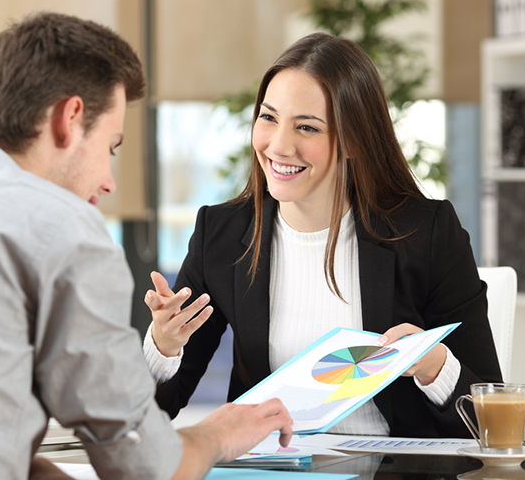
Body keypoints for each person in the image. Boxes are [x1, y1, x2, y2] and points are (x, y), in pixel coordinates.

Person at [0, 12, 292, 480]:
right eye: (111, 147)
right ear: (69, 119)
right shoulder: (62, 228)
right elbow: (148, 469)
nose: (108, 184)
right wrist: (219, 433)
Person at [142, 32, 502, 439]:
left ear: (353, 140)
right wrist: (164, 346)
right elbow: (151, 413)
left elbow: (490, 420)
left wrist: (434, 365)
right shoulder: (221, 234)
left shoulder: (426, 232)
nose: (279, 146)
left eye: (307, 128)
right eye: (268, 117)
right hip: (271, 470)